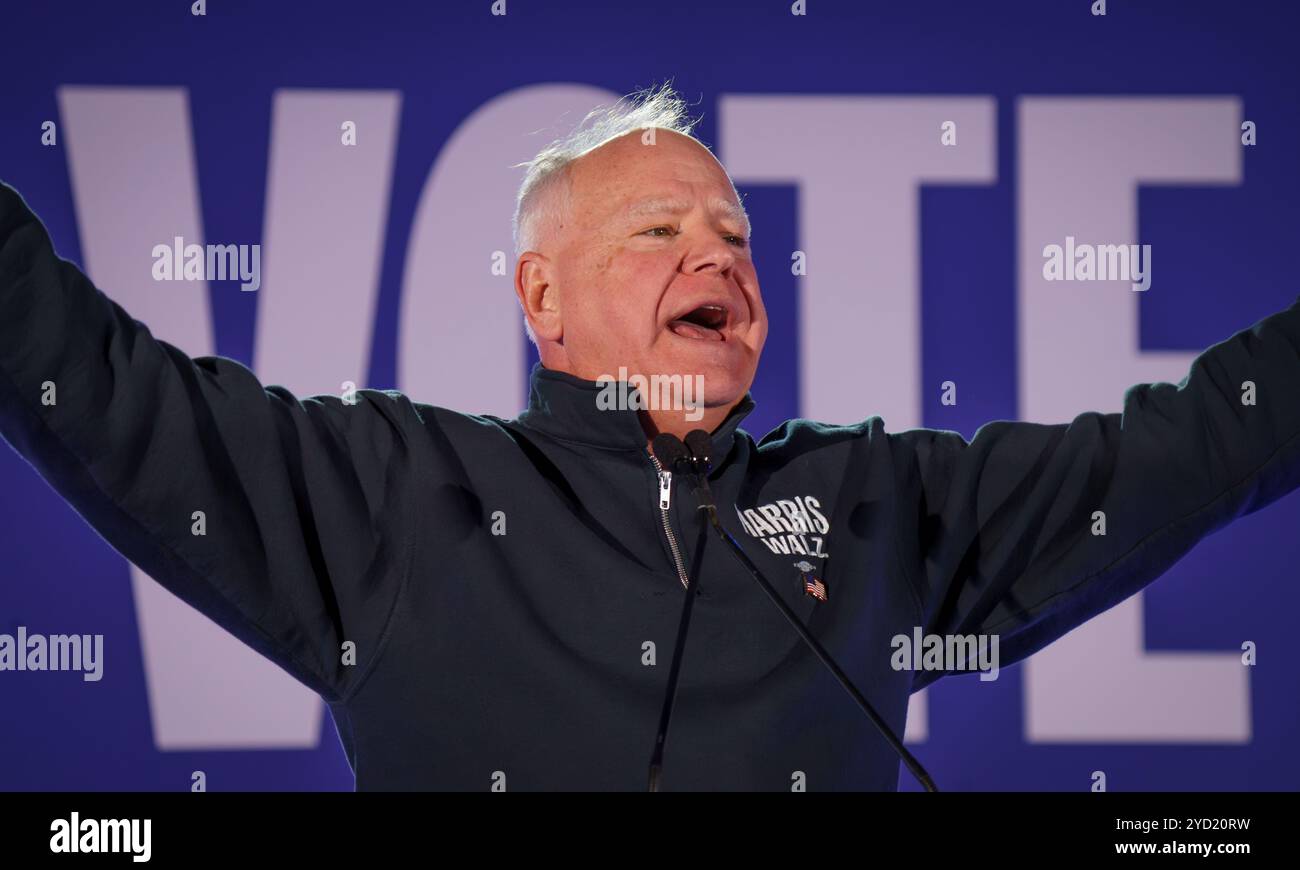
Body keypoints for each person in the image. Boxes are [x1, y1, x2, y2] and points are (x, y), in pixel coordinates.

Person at [1, 85, 1297, 791]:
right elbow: (91, 381)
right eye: (660, 233)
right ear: (543, 300)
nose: (717, 259)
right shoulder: (396, 491)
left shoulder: (872, 499)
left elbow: (1191, 447)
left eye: (736, 238)